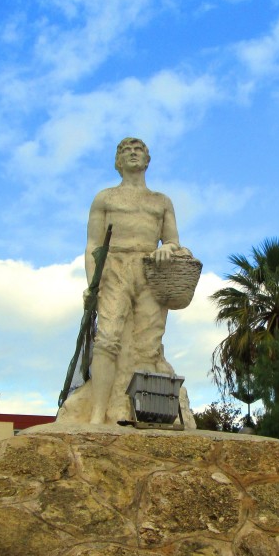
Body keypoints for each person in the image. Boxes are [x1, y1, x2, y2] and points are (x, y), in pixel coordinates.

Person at [83, 137, 187, 425]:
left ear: (147, 159)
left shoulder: (161, 201)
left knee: (148, 345)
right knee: (107, 339)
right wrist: (93, 285)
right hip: (115, 267)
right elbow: (93, 245)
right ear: (118, 161)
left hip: (151, 269)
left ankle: (140, 411)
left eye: (138, 150)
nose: (132, 153)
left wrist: (168, 247)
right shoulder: (105, 198)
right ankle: (97, 412)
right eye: (125, 150)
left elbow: (173, 240)